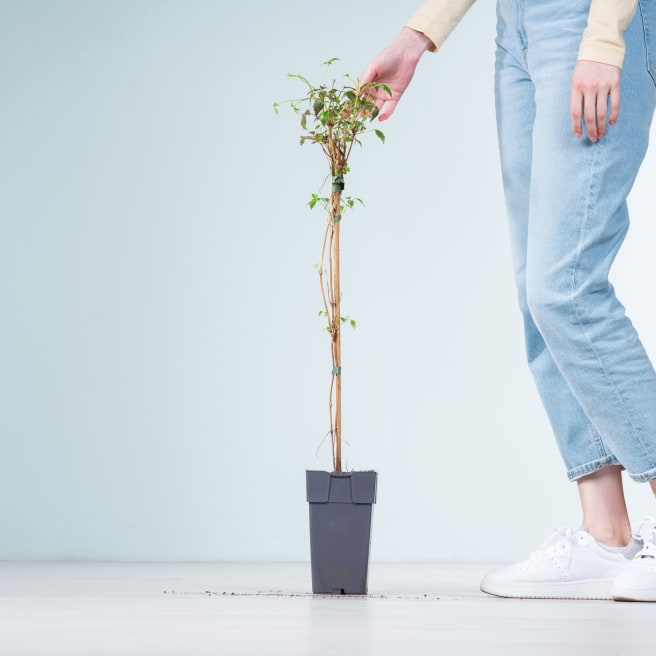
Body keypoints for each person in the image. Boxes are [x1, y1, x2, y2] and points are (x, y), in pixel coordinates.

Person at [360, 0, 656, 602]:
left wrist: (603, 35)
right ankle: (605, 535)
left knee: (564, 287)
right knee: (536, 292)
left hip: (590, 20)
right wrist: (420, 33)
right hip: (517, 28)